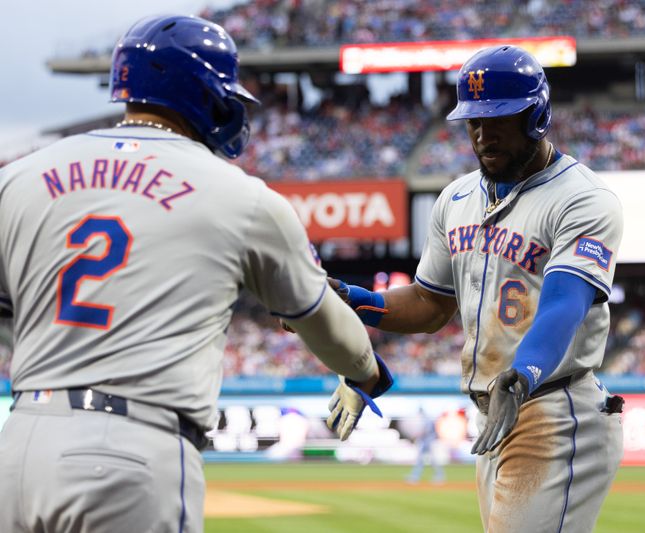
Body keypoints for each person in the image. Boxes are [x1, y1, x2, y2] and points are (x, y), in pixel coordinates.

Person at [0, 14, 391, 533]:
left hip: (20, 440)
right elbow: (322, 319)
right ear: (204, 94)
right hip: (133, 452)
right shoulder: (240, 195)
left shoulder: (20, 176)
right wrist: (367, 372)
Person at [327, 45, 625, 532]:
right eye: (473, 123)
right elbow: (428, 304)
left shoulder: (583, 199)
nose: (484, 136)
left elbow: (563, 305)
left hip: (552, 408)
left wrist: (523, 372)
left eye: (500, 120)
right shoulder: (457, 198)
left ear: (537, 114)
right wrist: (358, 301)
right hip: (495, 412)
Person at [405, 406, 446, 484]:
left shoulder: (426, 420)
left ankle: (438, 476)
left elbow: (425, 431)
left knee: (429, 460)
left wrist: (415, 437)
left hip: (427, 441)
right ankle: (415, 476)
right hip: (427, 441)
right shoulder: (427, 419)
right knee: (423, 460)